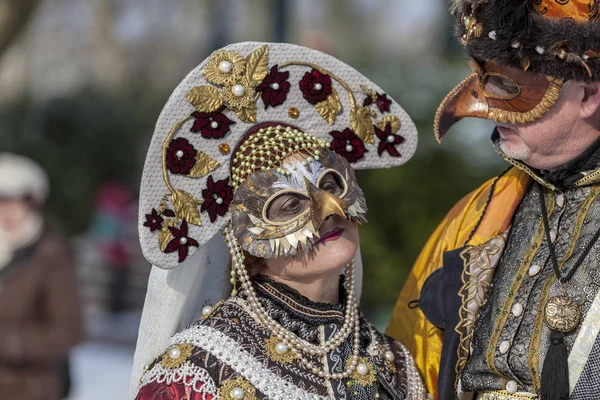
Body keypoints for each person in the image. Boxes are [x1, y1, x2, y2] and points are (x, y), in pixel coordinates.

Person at [130, 42, 427, 399]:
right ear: (247, 240)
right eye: (289, 204)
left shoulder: (393, 364)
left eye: (331, 183)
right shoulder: (198, 371)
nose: (330, 208)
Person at [387, 1, 600, 399]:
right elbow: (413, 363)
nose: (484, 107)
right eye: (483, 79)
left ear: (588, 93)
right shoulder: (475, 215)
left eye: (509, 85)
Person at [0, 153, 83, 400]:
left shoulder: (51, 256)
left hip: (29, 389)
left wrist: (11, 344)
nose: (7, 212)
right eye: (1, 202)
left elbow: (70, 330)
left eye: (15, 203)